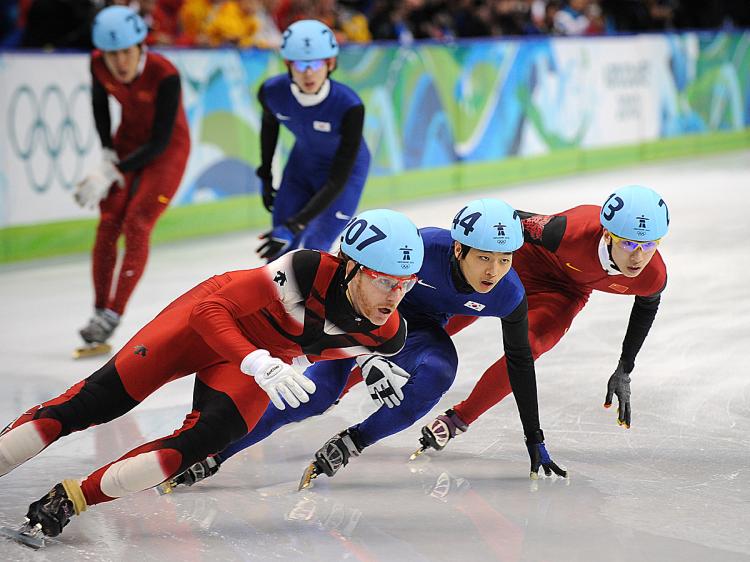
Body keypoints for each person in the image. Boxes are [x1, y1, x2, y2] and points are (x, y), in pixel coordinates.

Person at [0, 209, 424, 544]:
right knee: (98, 402)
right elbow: (210, 313)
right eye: (385, 280)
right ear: (349, 267)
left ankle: (73, 499)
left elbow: (346, 346)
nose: (395, 295)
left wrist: (367, 361)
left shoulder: (387, 333)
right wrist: (258, 362)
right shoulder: (304, 269)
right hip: (207, 322)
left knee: (206, 439)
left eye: (407, 284)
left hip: (263, 356)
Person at [165, 198, 565, 493]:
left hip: (415, 330)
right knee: (316, 396)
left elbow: (520, 362)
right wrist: (371, 354)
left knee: (440, 372)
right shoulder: (420, 250)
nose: (494, 272)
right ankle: (214, 452)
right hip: (356, 317)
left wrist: (535, 437)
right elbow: (345, 292)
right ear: (458, 248)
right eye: (483, 258)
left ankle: (353, 441)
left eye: (505, 260)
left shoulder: (508, 294)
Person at [415, 185, 669, 457]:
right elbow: (502, 221)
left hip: (564, 293)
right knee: (441, 324)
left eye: (649, 245)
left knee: (529, 346)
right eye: (628, 243)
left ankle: (457, 420)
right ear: (607, 234)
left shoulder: (652, 276)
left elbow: (646, 308)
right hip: (516, 269)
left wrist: (624, 368)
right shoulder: (567, 232)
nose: (638, 257)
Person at [73, 5, 191, 355]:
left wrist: (112, 170)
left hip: (167, 149)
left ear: (141, 47)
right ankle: (98, 311)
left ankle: (114, 312)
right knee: (108, 221)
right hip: (126, 144)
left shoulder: (165, 74)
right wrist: (107, 152)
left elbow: (159, 142)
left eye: (126, 52)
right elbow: (99, 105)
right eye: (112, 54)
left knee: (137, 222)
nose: (120, 62)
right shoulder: (97, 64)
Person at [254, 19, 371, 264]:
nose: (308, 72)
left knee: (315, 249)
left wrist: (297, 223)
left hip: (344, 174)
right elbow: (269, 127)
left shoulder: (349, 106)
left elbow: (338, 178)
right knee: (279, 250)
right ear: (288, 65)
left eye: (316, 63)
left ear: (330, 64)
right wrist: (265, 176)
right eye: (300, 64)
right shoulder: (271, 92)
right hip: (302, 165)